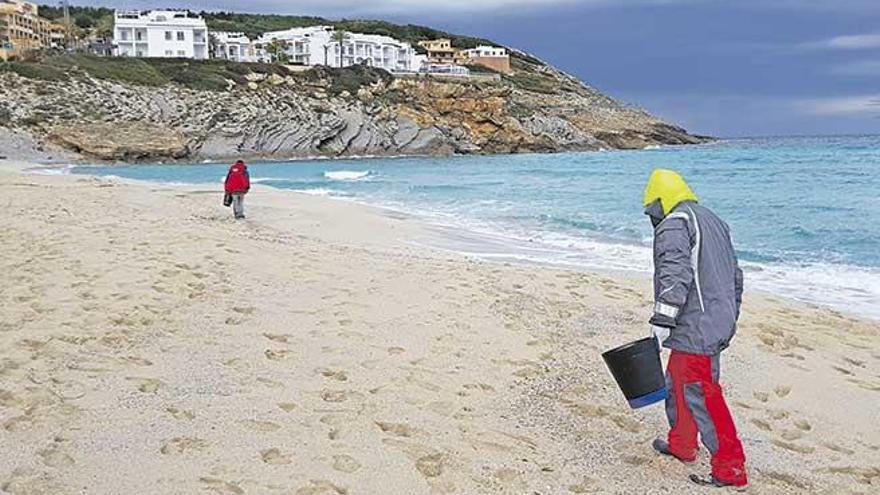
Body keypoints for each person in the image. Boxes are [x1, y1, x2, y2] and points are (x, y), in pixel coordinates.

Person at [643, 169, 748, 488]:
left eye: (651, 211)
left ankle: (730, 468)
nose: (652, 217)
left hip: (696, 324)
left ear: (660, 202)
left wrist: (662, 319)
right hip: (717, 319)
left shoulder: (675, 224)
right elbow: (736, 276)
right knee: (678, 383)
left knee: (701, 392)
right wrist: (731, 315)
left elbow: (675, 276)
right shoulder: (713, 220)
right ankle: (682, 444)